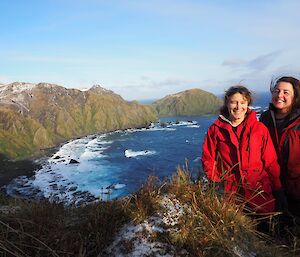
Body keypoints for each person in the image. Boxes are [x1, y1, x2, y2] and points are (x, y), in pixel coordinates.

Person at [202, 85, 282, 214]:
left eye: (243, 102)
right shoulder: (215, 130)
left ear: (248, 104)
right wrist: (215, 182)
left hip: (260, 193)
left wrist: (278, 189)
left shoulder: (260, 129)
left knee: (264, 230)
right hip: (230, 195)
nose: (238, 107)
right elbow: (208, 158)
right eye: (234, 102)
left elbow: (270, 162)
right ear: (227, 104)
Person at [260, 76, 300, 217]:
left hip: (295, 190)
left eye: (286, 92)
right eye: (276, 91)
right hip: (270, 187)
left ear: (295, 96)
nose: (279, 95)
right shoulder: (264, 119)